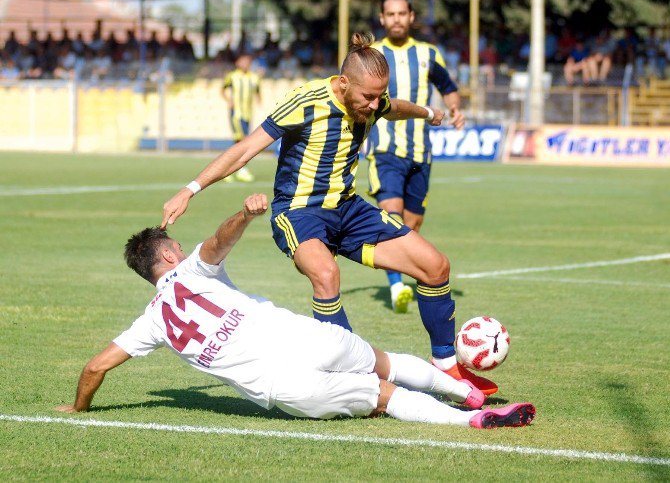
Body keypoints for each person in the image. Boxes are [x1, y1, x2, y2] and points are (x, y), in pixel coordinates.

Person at [162, 32, 498, 396]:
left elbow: (394, 107)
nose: (373, 105)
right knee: (326, 275)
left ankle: (446, 365)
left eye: (378, 95)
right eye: (367, 96)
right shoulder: (307, 100)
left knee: (435, 266)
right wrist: (190, 188)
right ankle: (351, 377)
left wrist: (429, 112)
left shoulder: (373, 99)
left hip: (348, 208)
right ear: (342, 83)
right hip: (299, 212)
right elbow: (245, 149)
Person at [56, 194, 535, 428]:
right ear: (167, 257)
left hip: (285, 390)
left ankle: (468, 422)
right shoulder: (191, 270)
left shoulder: (151, 322)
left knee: (383, 396)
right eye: (177, 246)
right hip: (303, 339)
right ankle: (468, 395)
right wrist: (245, 215)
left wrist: (77, 407)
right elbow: (219, 242)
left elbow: (95, 367)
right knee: (385, 362)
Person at [368, 0, 465, 316]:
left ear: (411, 17)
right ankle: (396, 286)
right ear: (382, 19)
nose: (396, 19)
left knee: (413, 223)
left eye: (402, 14)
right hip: (385, 149)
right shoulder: (371, 55)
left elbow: (448, 87)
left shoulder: (427, 54)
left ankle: (401, 275)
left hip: (421, 151)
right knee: (391, 217)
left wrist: (455, 109)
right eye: (390, 14)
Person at [221, 53, 261, 183]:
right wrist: (229, 100)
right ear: (238, 63)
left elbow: (258, 91)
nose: (245, 64)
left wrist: (259, 99)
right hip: (236, 114)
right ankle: (240, 170)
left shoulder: (254, 78)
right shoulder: (232, 76)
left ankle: (226, 170)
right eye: (242, 61)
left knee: (239, 142)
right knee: (242, 141)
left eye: (247, 61)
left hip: (248, 114)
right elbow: (222, 89)